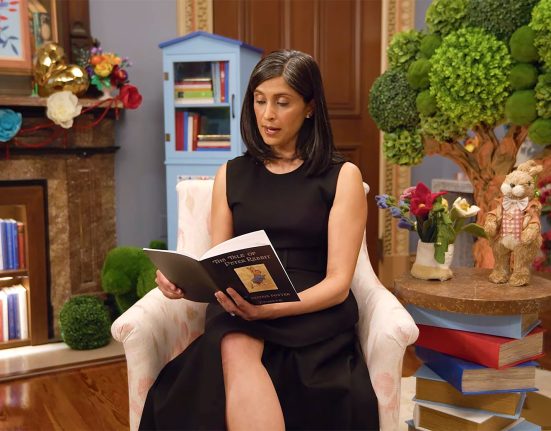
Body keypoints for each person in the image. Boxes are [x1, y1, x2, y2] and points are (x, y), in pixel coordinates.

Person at [139, 49, 379, 430]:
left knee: (263, 365)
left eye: (282, 102)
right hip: (243, 304)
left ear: (310, 107)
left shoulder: (342, 176)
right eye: (260, 100)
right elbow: (217, 264)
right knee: (233, 344)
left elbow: (337, 285)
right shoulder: (230, 174)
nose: (267, 114)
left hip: (311, 310)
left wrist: (272, 311)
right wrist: (181, 282)